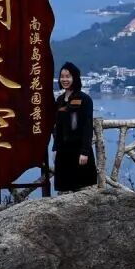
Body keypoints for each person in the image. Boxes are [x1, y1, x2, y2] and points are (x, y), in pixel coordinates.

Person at [52, 62, 98, 193]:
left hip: (78, 150)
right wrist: (55, 148)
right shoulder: (60, 100)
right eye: (62, 76)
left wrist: (85, 152)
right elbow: (57, 128)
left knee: (82, 188)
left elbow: (87, 126)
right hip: (63, 151)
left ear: (75, 78)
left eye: (68, 76)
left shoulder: (85, 99)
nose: (65, 79)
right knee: (64, 188)